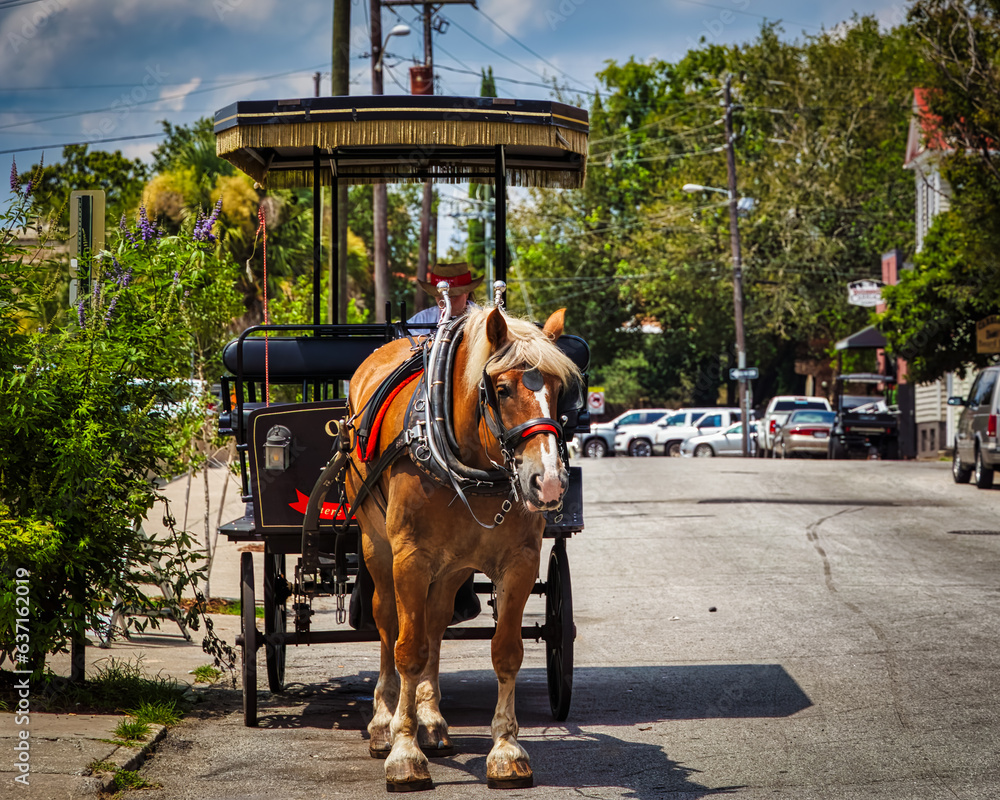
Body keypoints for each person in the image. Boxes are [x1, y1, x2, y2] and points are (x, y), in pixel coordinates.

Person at [407, 262, 484, 332]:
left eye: (453, 296)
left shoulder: (482, 319)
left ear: (466, 293)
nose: (446, 302)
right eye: (440, 297)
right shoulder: (422, 319)